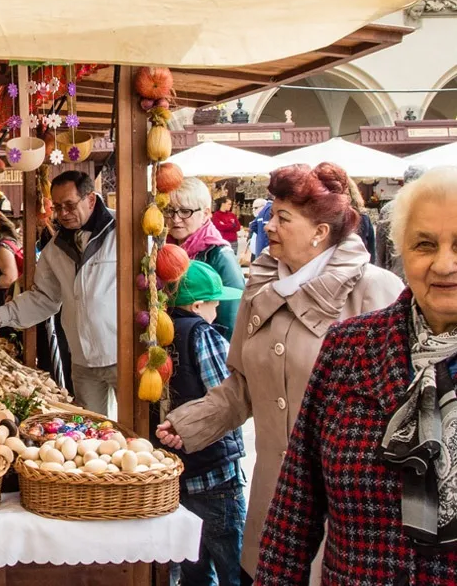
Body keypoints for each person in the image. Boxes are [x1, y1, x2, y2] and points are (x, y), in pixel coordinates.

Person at [155, 162, 404, 584]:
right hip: (274, 505)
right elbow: (244, 385)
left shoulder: (375, 290)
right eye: (271, 214)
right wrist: (190, 423)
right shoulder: (262, 288)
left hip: (351, 519)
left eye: (282, 217)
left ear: (319, 232)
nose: (268, 226)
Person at [255, 166, 457, 585]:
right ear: (403, 251)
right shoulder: (350, 346)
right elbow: (297, 504)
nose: (444, 264)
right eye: (425, 244)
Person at [0, 171, 118, 415]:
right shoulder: (55, 248)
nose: (62, 214)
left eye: (70, 205)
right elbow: (44, 297)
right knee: (94, 431)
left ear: (90, 200)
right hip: (81, 358)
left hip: (122, 353)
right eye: (57, 207)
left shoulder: (122, 232)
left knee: (136, 433)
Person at [166, 260, 246, 586]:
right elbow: (224, 400)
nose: (217, 311)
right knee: (235, 566)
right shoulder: (203, 335)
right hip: (216, 476)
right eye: (215, 304)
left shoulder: (159, 333)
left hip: (181, 478)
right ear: (198, 305)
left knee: (193, 569)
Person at [167, 178, 246, 336]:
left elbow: (233, 321)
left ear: (206, 214)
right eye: (170, 210)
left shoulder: (220, 255)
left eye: (185, 211)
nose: (175, 219)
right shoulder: (166, 250)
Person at [378, 164, 425, 279]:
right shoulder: (431, 207)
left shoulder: (388, 209)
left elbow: (380, 251)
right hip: (412, 272)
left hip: (396, 274)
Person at [347, 180, 377, 264]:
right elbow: (371, 249)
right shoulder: (363, 217)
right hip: (360, 265)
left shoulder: (363, 218)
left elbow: (371, 247)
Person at [245, 198, 269, 263]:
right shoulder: (254, 222)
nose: (253, 210)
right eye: (252, 208)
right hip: (254, 254)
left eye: (256, 208)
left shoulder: (266, 218)